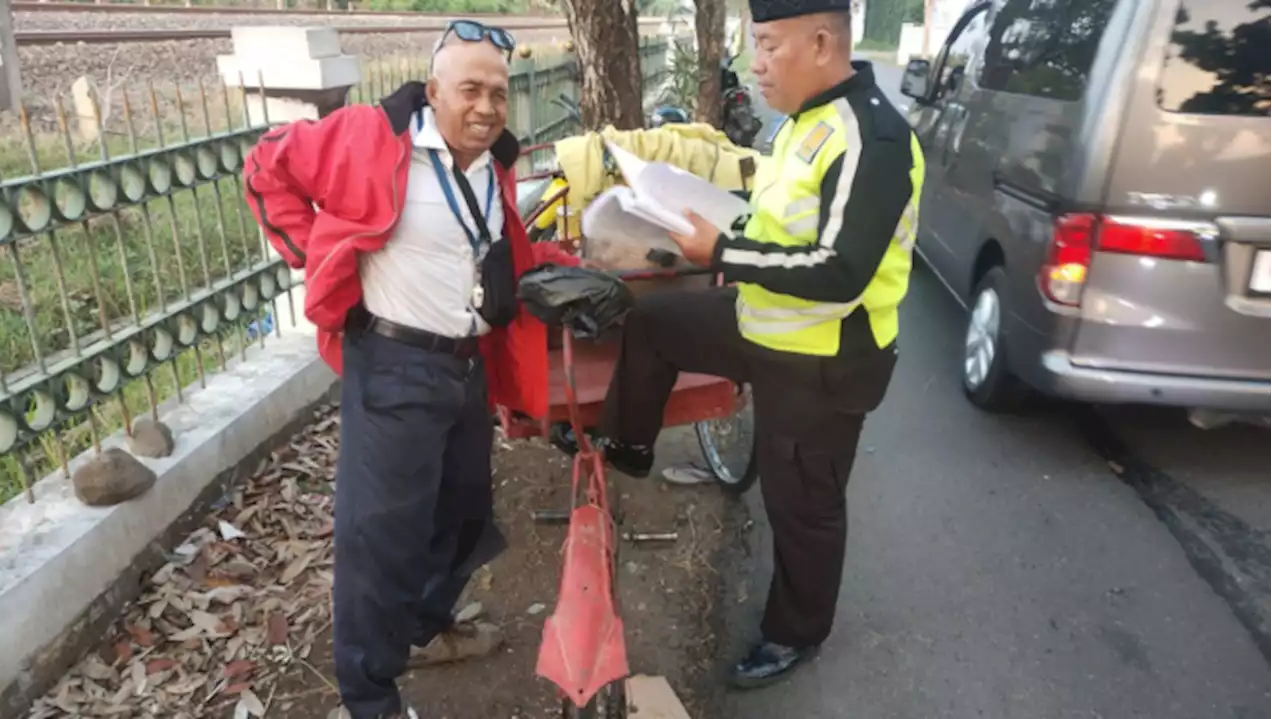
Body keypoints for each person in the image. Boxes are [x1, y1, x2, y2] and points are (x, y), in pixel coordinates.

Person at [557, 0, 925, 690]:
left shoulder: (870, 140)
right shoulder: (804, 125)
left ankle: (796, 632)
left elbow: (840, 270)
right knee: (656, 324)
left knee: (803, 505)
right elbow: (777, 222)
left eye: (766, 45)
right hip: (766, 319)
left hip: (822, 357)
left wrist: (724, 247)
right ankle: (630, 443)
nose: (754, 62)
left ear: (821, 42)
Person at [243, 20, 577, 719]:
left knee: (463, 517)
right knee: (381, 542)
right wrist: (319, 256)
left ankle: (421, 629)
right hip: (394, 360)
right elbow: (265, 165)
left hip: (464, 367)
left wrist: (567, 270)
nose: (486, 107)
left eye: (497, 93)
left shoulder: (494, 163)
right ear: (433, 91)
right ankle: (370, 697)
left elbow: (495, 255)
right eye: (469, 90)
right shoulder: (372, 136)